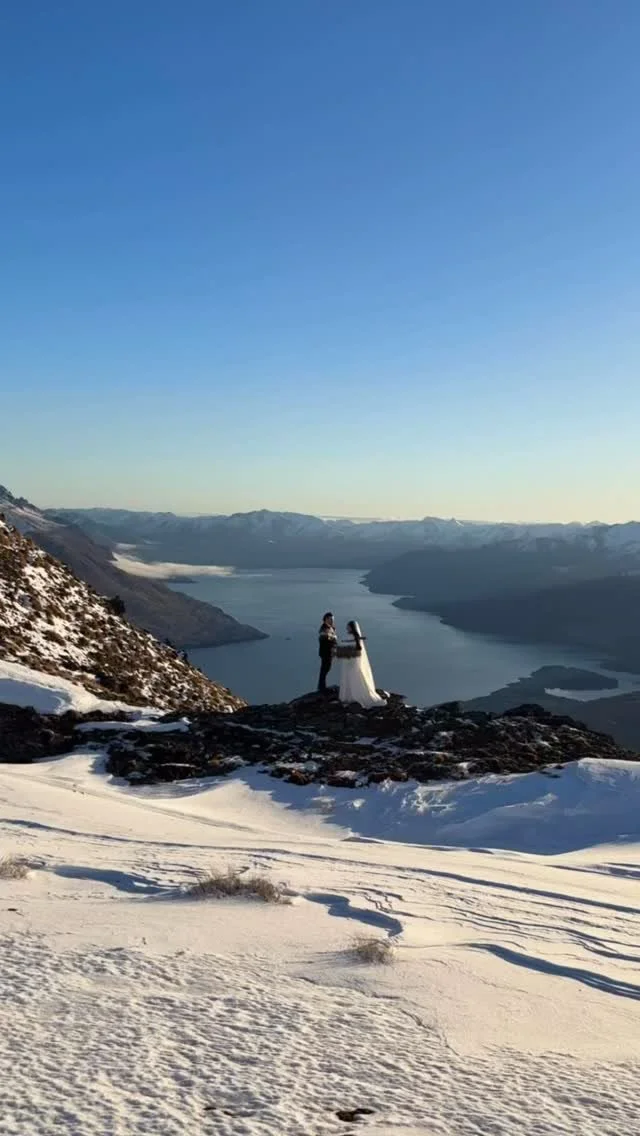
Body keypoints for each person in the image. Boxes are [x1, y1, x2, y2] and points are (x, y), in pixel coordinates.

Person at [338, 620, 385, 708]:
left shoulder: (353, 638)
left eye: (348, 626)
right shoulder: (354, 637)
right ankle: (351, 695)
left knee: (351, 678)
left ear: (352, 628)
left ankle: (352, 696)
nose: (346, 628)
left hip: (351, 661)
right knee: (351, 678)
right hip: (350, 661)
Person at [317, 611, 337, 692]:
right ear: (325, 620)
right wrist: (332, 637)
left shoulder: (332, 628)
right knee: (325, 669)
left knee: (327, 668)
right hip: (325, 652)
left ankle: (322, 686)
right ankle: (322, 687)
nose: (332, 621)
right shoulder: (324, 628)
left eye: (332, 620)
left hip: (330, 652)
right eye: (330, 619)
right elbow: (324, 637)